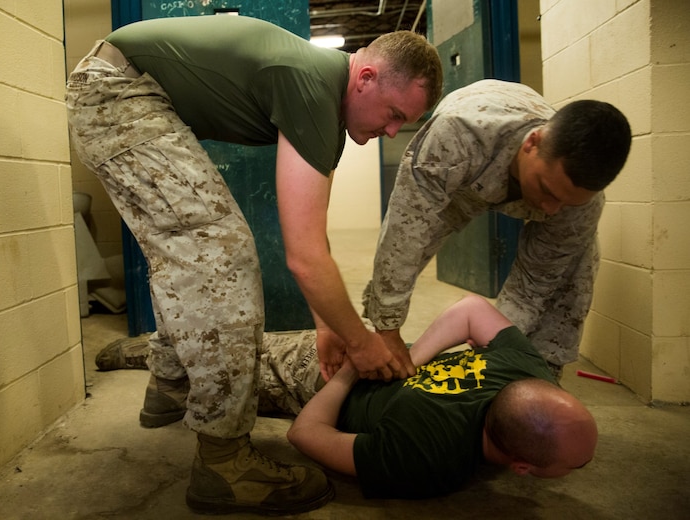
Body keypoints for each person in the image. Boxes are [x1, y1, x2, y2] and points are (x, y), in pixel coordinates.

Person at [65, 14, 443, 515]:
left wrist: (326, 325)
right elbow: (304, 258)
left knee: (189, 252)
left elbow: (312, 236)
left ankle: (170, 385)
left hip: (121, 88)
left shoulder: (325, 98)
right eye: (393, 114)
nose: (391, 131)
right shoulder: (313, 85)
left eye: (404, 123)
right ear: (366, 77)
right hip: (117, 91)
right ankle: (225, 462)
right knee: (221, 254)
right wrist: (360, 342)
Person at [362, 79, 632, 378]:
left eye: (566, 202)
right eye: (548, 191)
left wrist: (492, 344)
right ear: (533, 143)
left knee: (575, 268)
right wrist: (388, 330)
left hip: (509, 167)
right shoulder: (457, 136)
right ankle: (375, 330)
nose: (550, 208)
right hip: (469, 169)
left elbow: (533, 285)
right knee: (408, 248)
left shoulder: (580, 205)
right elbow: (404, 233)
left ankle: (542, 372)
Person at [256, 294, 598, 499]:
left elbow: (472, 309)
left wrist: (399, 360)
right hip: (310, 376)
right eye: (577, 465)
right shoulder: (431, 460)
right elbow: (304, 433)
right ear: (520, 467)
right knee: (214, 375)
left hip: (357, 356)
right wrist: (356, 370)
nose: (585, 464)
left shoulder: (526, 367)